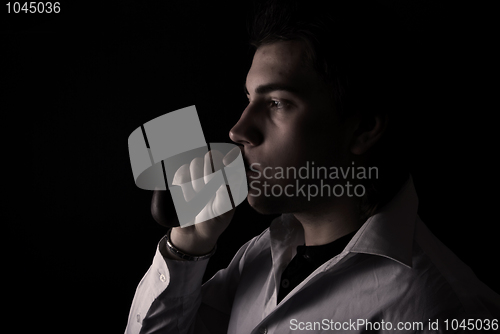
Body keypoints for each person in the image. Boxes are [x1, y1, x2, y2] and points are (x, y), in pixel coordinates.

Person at [125, 1, 500, 333]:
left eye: (277, 103)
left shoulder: (440, 310)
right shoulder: (260, 255)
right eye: (249, 98)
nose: (238, 130)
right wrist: (187, 248)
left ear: (364, 128)